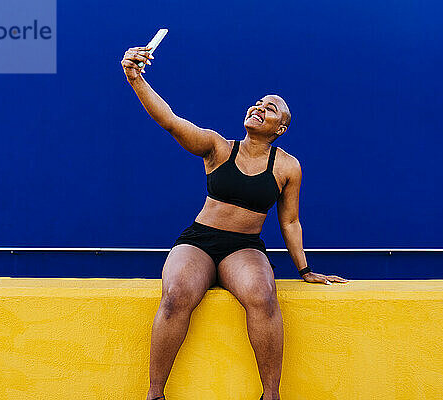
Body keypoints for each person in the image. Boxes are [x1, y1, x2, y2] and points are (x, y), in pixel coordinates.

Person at [121, 45, 349, 400]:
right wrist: (135, 79)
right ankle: (155, 393)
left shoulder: (288, 166)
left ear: (281, 127)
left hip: (243, 248)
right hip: (198, 242)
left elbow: (290, 222)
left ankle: (270, 394)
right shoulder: (218, 147)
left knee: (263, 295)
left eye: (269, 108)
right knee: (176, 293)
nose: (259, 108)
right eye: (257, 103)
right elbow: (169, 119)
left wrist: (305, 270)